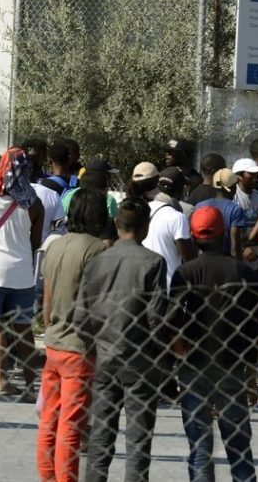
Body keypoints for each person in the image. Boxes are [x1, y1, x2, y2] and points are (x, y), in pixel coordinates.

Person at [72, 198, 173, 482]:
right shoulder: (153, 262)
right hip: (139, 359)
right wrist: (161, 355)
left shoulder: (97, 262)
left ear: (117, 224)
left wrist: (95, 348)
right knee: (138, 440)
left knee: (100, 437)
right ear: (145, 227)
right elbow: (155, 318)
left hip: (104, 357)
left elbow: (80, 317)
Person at [171, 206, 258, 482]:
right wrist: (251, 374)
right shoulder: (243, 271)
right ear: (223, 234)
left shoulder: (186, 272)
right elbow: (254, 326)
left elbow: (170, 323)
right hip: (232, 366)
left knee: (200, 448)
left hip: (194, 366)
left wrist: (182, 356)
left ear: (194, 238)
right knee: (239, 448)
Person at [37, 188, 110, 482]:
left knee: (49, 420)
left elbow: (47, 301)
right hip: (80, 347)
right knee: (72, 424)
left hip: (54, 341)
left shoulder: (55, 245)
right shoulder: (96, 250)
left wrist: (51, 328)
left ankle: (48, 477)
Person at [0, 149, 44, 398]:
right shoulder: (34, 202)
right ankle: (30, 388)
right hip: (22, 274)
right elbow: (35, 243)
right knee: (24, 333)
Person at [130, 162, 193, 287]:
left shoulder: (132, 209)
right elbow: (189, 261)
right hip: (167, 288)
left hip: (138, 285)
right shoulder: (176, 214)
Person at [194, 168, 249, 260]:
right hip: (225, 261)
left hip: (202, 259)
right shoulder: (235, 210)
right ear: (232, 188)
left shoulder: (199, 206)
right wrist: (238, 266)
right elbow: (235, 249)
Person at [231, 157, 258, 229]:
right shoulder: (232, 198)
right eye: (252, 174)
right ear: (239, 176)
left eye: (257, 174)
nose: (257, 177)